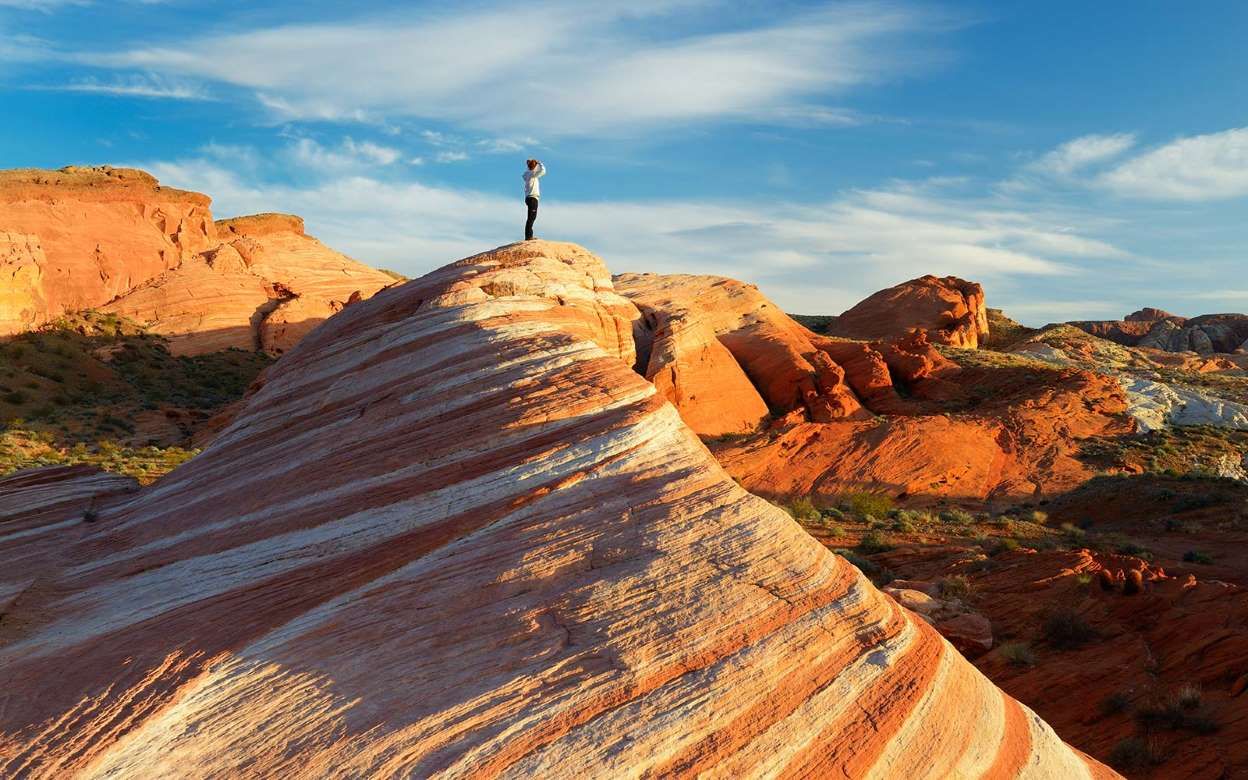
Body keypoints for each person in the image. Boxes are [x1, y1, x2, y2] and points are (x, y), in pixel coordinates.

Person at [522, 158, 546, 241]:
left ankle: (529, 236)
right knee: (531, 218)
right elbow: (543, 171)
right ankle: (528, 237)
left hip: (529, 198)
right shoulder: (533, 174)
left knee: (531, 217)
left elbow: (528, 170)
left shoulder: (527, 174)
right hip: (533, 198)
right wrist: (539, 162)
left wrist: (531, 164)